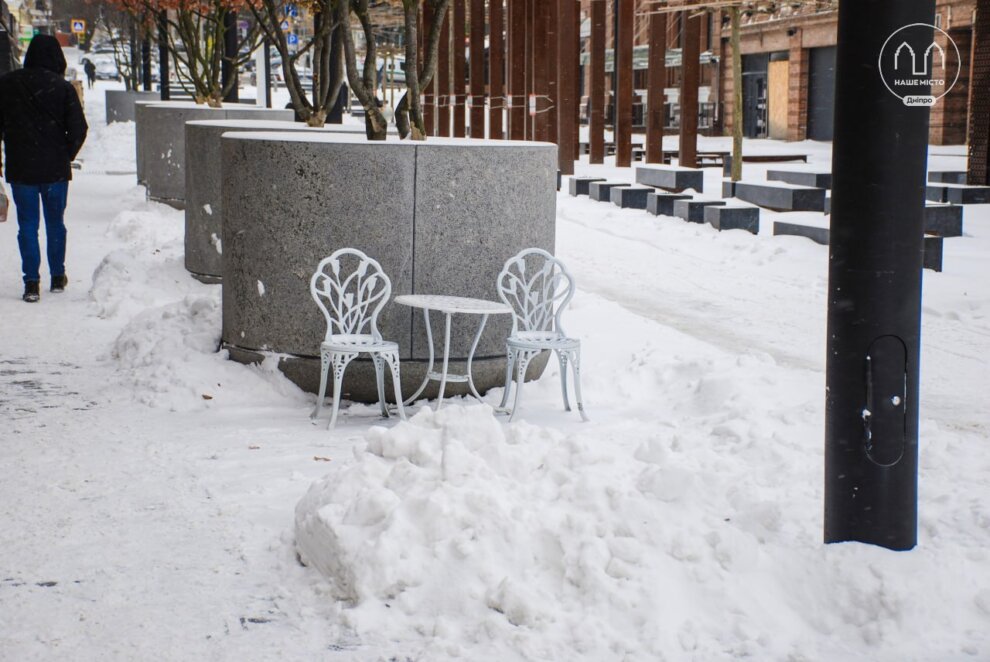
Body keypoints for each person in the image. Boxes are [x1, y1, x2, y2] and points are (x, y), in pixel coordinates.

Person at [0, 35, 88, 303]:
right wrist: (65, 154)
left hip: (21, 167)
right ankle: (58, 276)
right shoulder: (62, 88)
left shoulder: (7, 85)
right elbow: (79, 128)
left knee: (27, 225)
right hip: (55, 170)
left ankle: (31, 283)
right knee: (55, 224)